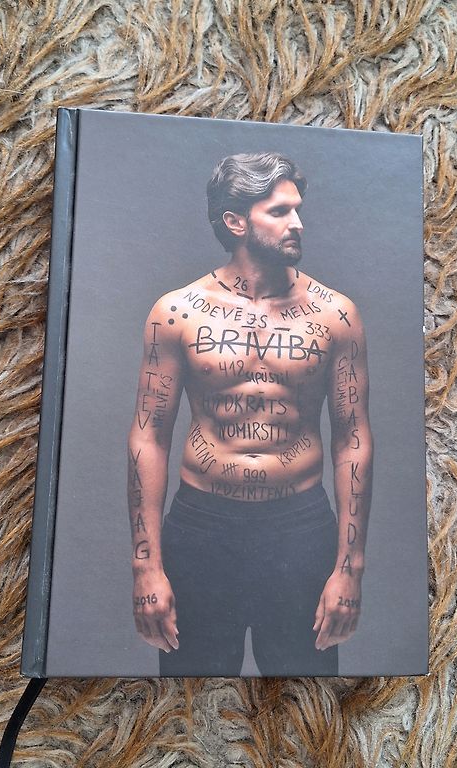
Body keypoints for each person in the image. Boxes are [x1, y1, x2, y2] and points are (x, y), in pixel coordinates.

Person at [127, 152, 373, 676]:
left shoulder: (336, 315)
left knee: (305, 705)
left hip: (299, 529)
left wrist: (349, 568)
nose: (297, 223)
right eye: (280, 212)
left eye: (298, 209)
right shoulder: (176, 313)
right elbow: (149, 437)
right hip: (202, 529)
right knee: (189, 705)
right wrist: (145, 567)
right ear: (235, 222)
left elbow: (352, 440)